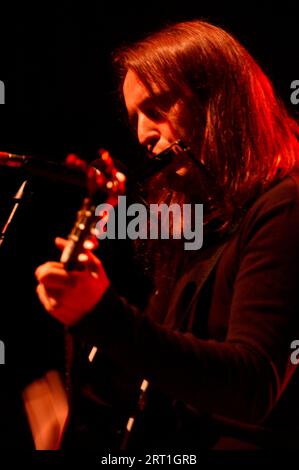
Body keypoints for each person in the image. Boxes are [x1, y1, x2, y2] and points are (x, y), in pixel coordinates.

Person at [35, 20, 299, 450]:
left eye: (157, 108)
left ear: (217, 101)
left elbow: (253, 387)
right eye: (136, 118)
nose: (142, 134)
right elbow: (172, 374)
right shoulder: (196, 228)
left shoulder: (286, 208)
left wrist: (103, 314)